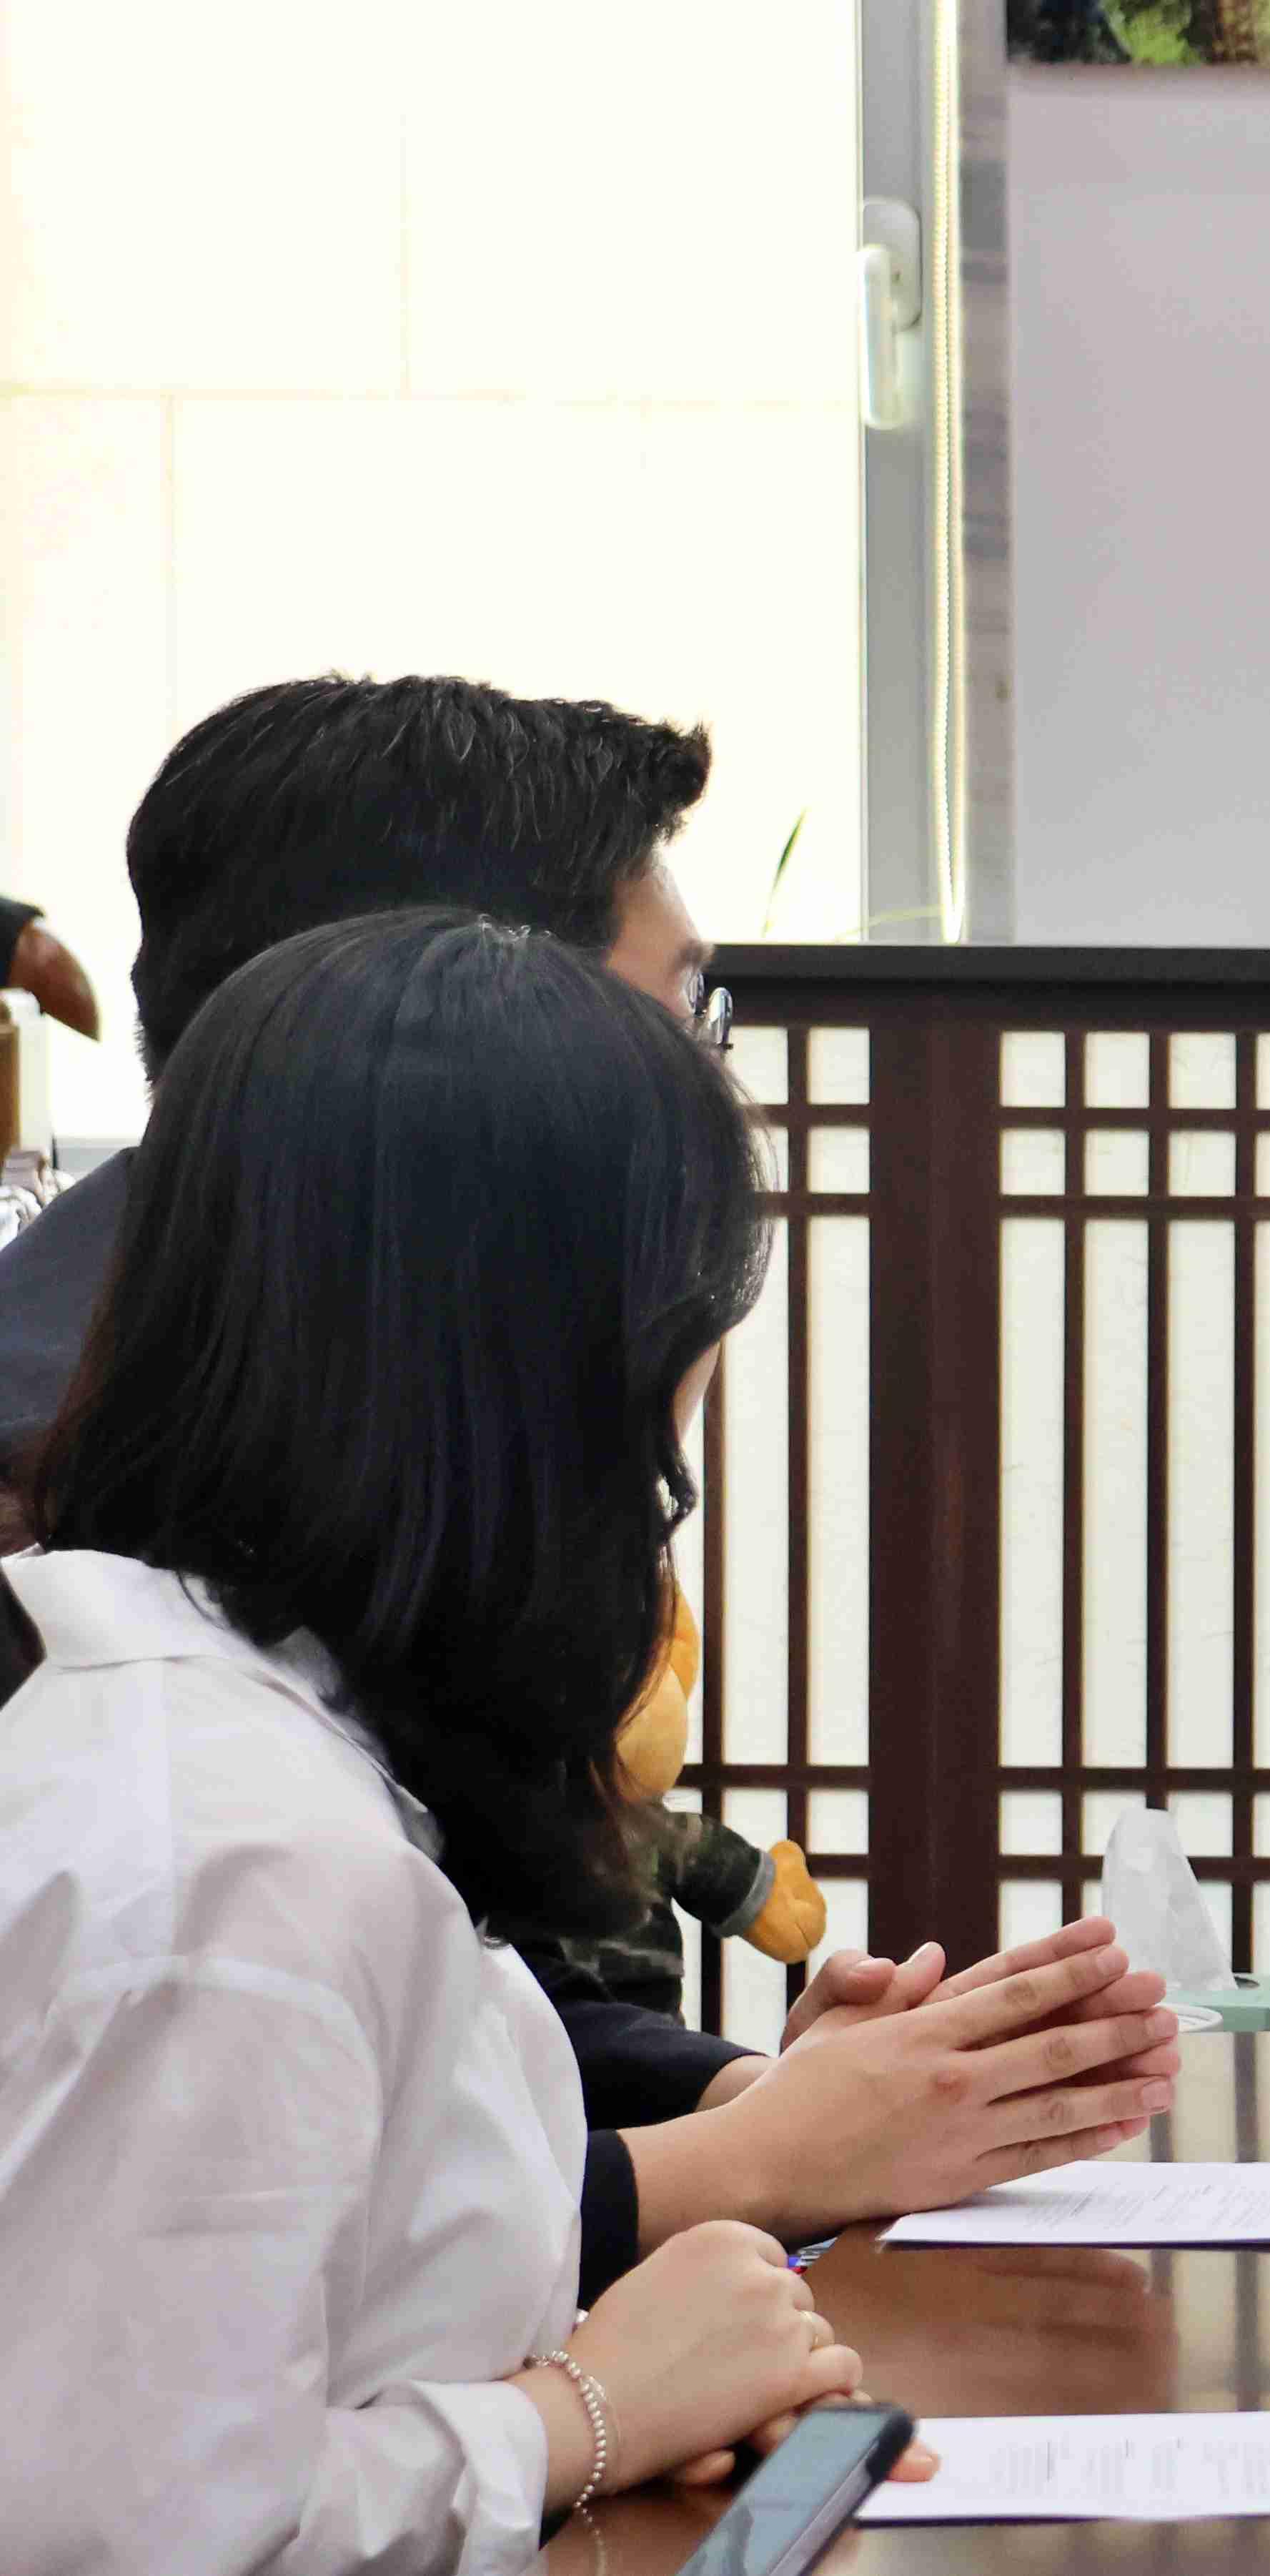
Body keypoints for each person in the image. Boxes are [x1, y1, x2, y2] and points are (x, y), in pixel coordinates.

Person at [0, 674, 1176, 2299]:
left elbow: (425, 1991)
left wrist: (765, 2099)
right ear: (451, 1011)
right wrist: (743, 2181)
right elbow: (199, 2238)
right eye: (685, 1010)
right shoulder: (60, 1482)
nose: (708, 1074)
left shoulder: (278, 1381)